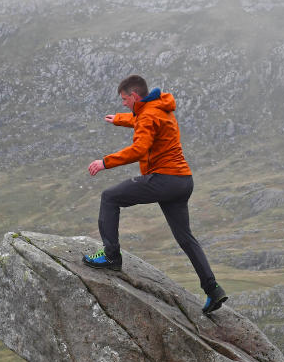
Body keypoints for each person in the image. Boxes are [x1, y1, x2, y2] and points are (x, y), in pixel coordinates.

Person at [83, 74, 228, 314]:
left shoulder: (148, 114)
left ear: (134, 96)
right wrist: (119, 119)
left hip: (164, 179)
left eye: (123, 99)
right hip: (182, 181)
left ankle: (111, 257)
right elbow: (142, 120)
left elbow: (139, 148)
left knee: (110, 197)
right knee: (186, 238)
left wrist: (104, 162)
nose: (122, 103)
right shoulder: (159, 108)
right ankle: (213, 290)